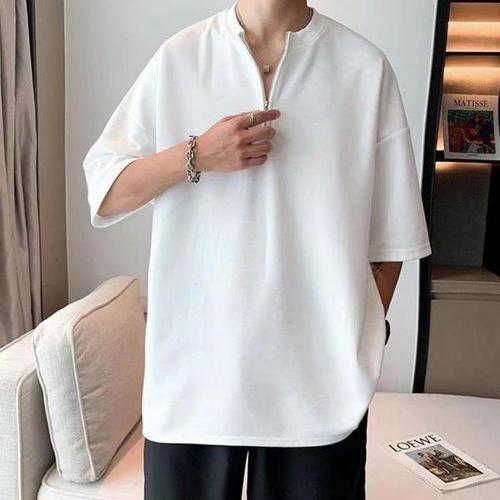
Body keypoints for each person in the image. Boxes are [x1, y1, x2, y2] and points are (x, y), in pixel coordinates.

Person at [82, 1, 432, 498]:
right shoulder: (181, 57)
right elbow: (105, 190)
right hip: (193, 384)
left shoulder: (364, 67)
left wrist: (353, 344)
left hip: (320, 393)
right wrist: (196, 154)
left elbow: (393, 237)